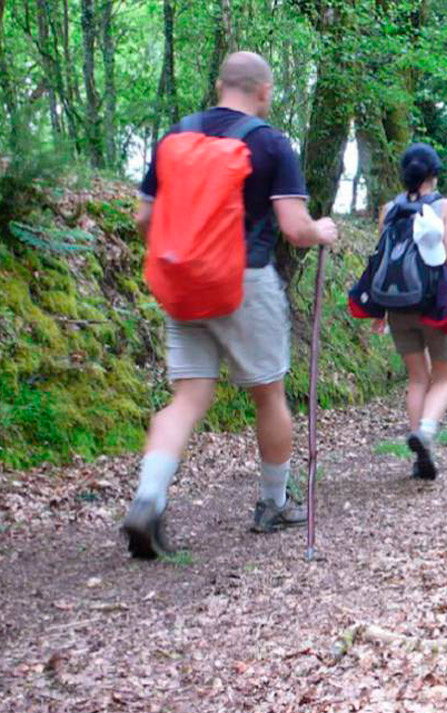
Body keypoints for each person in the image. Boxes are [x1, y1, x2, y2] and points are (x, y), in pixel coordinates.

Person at [121, 51, 339, 559]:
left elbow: (144, 218)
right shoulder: (268, 143)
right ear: (264, 90)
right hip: (245, 281)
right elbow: (293, 228)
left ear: (219, 84)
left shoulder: (175, 136)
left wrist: (182, 256)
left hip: (182, 281)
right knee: (269, 394)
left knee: (188, 397)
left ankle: (148, 499)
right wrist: (321, 230)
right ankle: (272, 503)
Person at [373, 143, 447, 480]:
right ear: (434, 173)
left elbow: (382, 261)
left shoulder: (388, 209)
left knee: (418, 377)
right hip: (436, 305)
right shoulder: (446, 206)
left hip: (398, 304)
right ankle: (426, 432)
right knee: (445, 377)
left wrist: (379, 312)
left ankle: (420, 455)